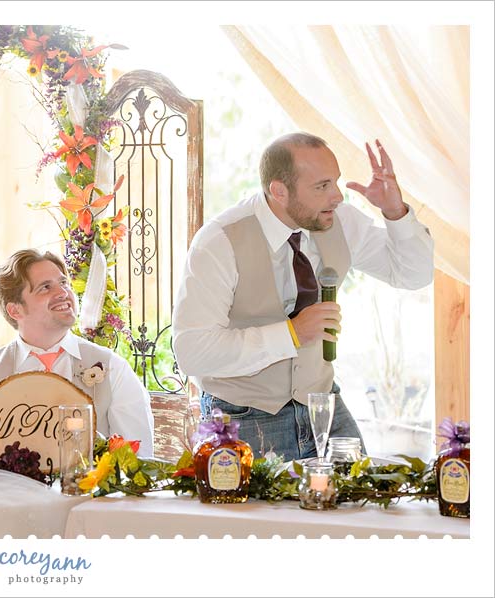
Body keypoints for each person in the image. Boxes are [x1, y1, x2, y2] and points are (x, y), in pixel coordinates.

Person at [172, 133, 434, 460]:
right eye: (322, 186)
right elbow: (192, 352)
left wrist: (395, 211)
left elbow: (413, 274)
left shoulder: (340, 221)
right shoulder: (219, 241)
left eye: (335, 182)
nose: (337, 196)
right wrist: (292, 334)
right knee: (257, 513)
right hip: (241, 417)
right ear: (279, 191)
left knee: (359, 507)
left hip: (324, 404)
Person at [0, 249, 155, 457]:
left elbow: (139, 459)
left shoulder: (112, 368)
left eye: (63, 283)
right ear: (15, 310)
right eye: (45, 288)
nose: (63, 293)